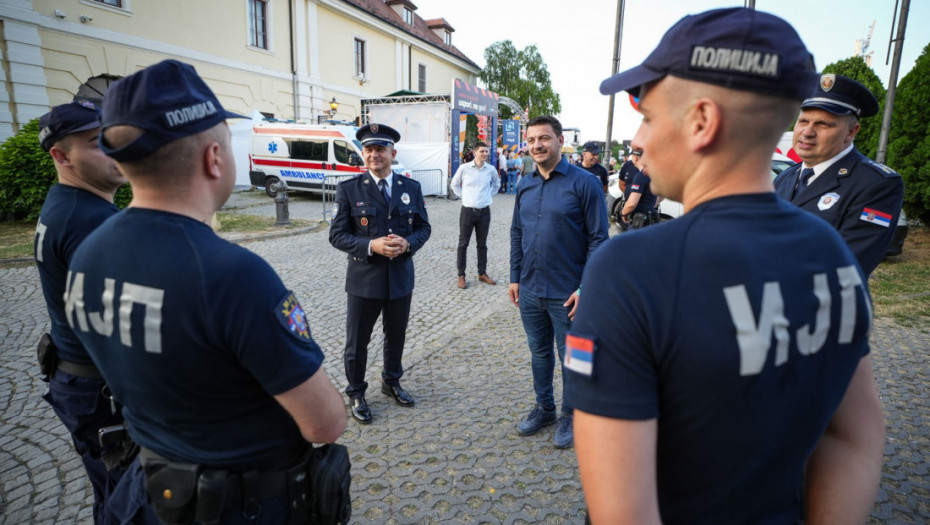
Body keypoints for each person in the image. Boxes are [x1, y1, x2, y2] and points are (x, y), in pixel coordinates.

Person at [568, 8, 885, 524]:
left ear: (701, 122)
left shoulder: (628, 270)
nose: (638, 141)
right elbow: (854, 436)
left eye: (647, 116)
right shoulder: (832, 254)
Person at [66, 59, 347, 524]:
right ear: (213, 158)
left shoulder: (88, 253)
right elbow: (325, 424)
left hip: (148, 492)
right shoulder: (232, 275)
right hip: (240, 505)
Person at [34, 99, 129, 524]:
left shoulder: (68, 205)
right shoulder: (90, 221)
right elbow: (127, 326)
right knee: (130, 502)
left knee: (110, 495)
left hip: (77, 380)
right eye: (97, 142)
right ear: (61, 155)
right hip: (101, 394)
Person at [509, 115, 609, 449]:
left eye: (544, 138)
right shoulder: (524, 184)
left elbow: (599, 240)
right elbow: (517, 233)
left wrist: (586, 288)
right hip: (531, 289)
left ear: (560, 141)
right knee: (539, 353)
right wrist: (514, 278)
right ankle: (545, 408)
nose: (537, 145)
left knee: (574, 357)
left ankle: (572, 413)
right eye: (531, 139)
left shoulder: (585, 183)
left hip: (569, 294)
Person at [329, 123, 431, 424]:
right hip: (364, 280)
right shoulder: (349, 189)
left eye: (381, 149)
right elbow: (337, 236)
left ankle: (391, 382)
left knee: (395, 336)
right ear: (363, 154)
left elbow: (423, 228)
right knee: (357, 341)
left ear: (392, 153)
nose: (375, 154)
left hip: (400, 278)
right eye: (369, 150)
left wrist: (408, 243)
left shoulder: (410, 188)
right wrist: (370, 244)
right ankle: (357, 392)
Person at [773, 74, 904, 276]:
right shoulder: (784, 178)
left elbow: (847, 265)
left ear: (851, 132)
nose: (807, 132)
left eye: (823, 124)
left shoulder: (876, 185)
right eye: (803, 121)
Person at [451, 140, 501, 289]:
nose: (485, 154)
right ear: (474, 152)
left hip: (484, 211)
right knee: (463, 244)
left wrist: (488, 197)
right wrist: (464, 197)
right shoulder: (464, 168)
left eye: (486, 151)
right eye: (482, 151)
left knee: (482, 244)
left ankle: (482, 273)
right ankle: (461, 275)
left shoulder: (490, 169)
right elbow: (454, 184)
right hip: (468, 211)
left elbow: (496, 185)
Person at [620, 150, 659, 229]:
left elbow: (631, 204)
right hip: (650, 217)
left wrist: (623, 213)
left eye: (632, 156)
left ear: (636, 158)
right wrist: (651, 204)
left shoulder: (640, 176)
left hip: (639, 221)